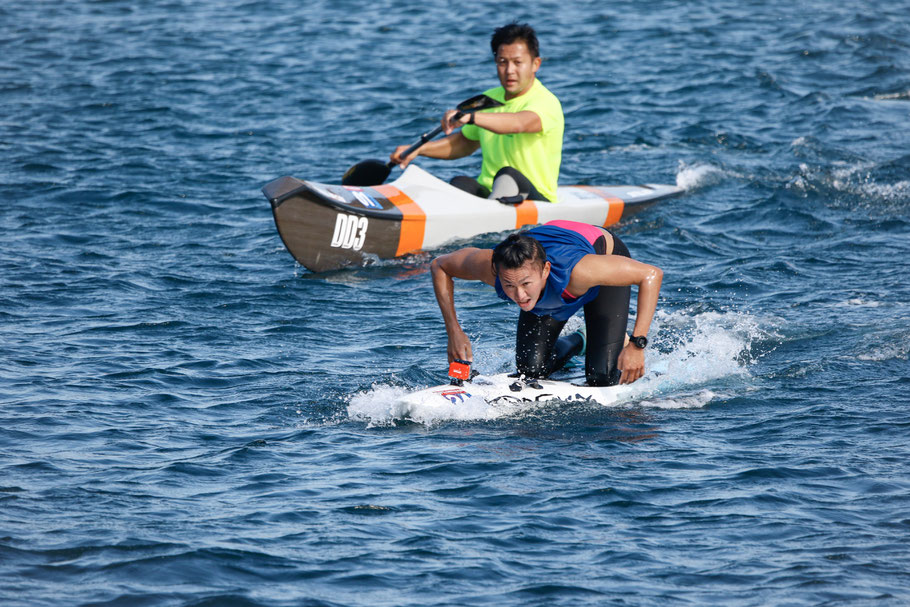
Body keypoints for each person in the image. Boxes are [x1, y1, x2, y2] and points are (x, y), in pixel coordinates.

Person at [430, 220, 662, 386]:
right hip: (547, 262)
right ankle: (582, 339)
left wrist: (636, 344)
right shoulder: (490, 267)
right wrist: (454, 330)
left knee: (602, 377)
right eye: (509, 286)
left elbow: (651, 274)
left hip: (601, 253)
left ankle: (614, 338)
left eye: (525, 284)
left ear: (545, 270)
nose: (519, 296)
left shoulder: (582, 271)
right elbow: (440, 265)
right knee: (530, 371)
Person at [390, 22, 564, 203]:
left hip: (535, 200)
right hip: (492, 194)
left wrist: (471, 117)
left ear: (536, 64)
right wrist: (419, 150)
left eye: (517, 62)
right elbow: (464, 143)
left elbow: (518, 123)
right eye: (502, 62)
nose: (509, 70)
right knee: (460, 183)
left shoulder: (546, 102)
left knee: (508, 175)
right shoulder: (487, 100)